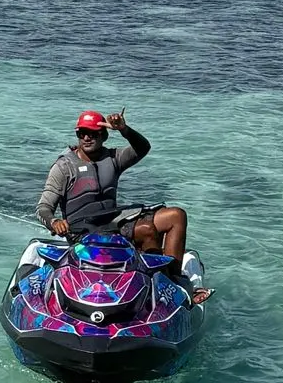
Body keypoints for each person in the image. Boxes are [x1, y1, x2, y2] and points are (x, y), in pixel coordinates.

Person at [36, 108, 189, 278]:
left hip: (113, 221)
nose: (86, 138)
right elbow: (43, 208)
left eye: (92, 133)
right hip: (83, 231)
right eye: (82, 133)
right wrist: (54, 221)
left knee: (176, 215)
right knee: (146, 229)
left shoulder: (113, 158)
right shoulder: (64, 167)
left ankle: (175, 279)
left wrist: (124, 129)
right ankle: (160, 280)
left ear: (104, 135)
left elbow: (143, 147)